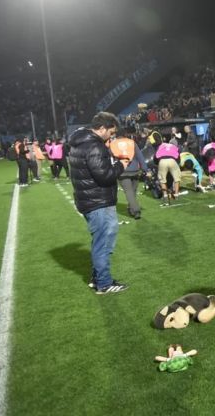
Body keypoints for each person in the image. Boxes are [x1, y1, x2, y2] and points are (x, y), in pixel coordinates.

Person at [68, 112, 129, 295]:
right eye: (110, 132)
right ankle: (104, 283)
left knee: (100, 242)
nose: (111, 136)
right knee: (103, 244)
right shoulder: (94, 146)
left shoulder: (80, 143)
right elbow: (104, 176)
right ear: (101, 128)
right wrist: (121, 165)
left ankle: (97, 279)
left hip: (90, 199)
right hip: (98, 201)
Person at [114, 132, 149, 219]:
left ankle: (136, 210)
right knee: (133, 191)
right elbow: (140, 156)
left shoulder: (113, 144)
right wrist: (145, 169)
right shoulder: (132, 142)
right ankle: (132, 209)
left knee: (129, 192)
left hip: (122, 171)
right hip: (135, 171)